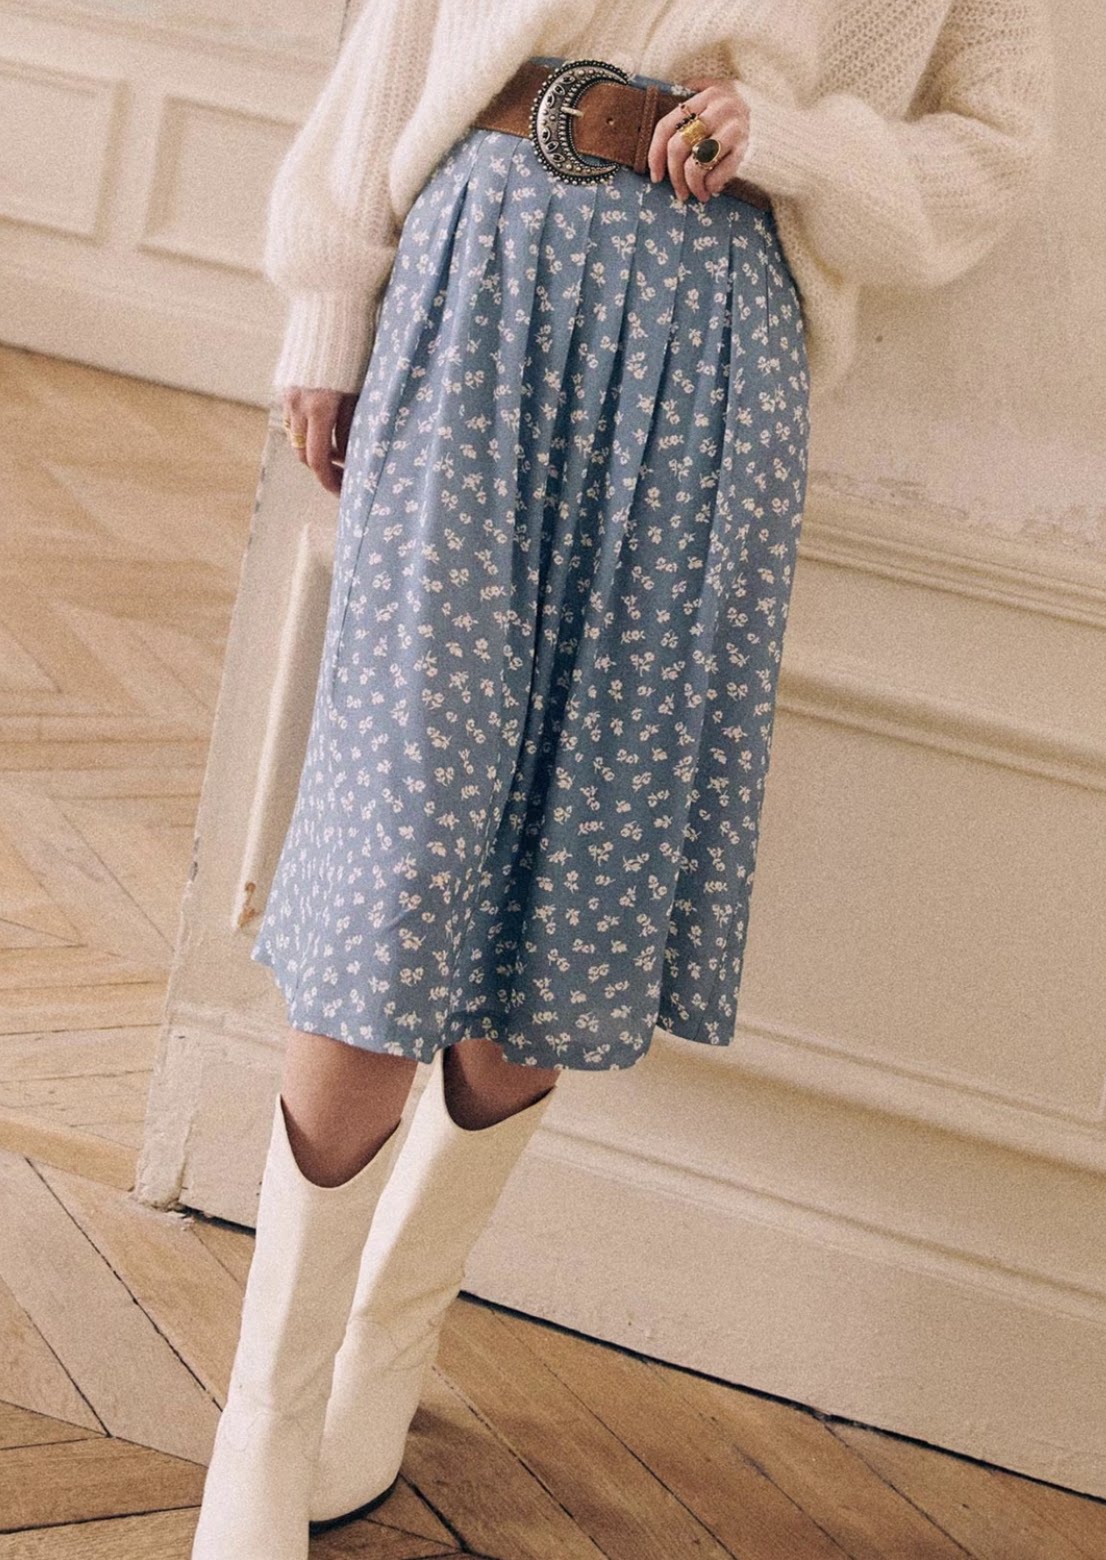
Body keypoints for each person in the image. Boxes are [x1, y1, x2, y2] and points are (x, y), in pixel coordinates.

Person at [191, 3, 1052, 1555]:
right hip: (477, 269)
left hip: (717, 333)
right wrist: (327, 307)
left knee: (578, 872)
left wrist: (796, 144)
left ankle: (385, 1346)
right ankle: (264, 1415)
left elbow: (992, 148)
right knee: (397, 854)